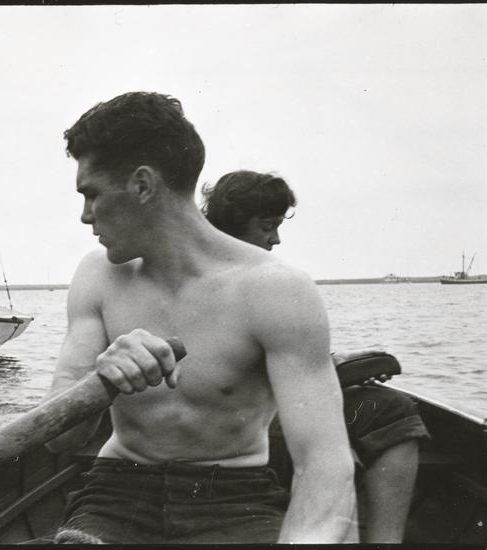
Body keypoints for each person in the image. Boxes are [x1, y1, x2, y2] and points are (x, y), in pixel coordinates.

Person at [44, 92, 357, 544]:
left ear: (143, 185)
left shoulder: (277, 290)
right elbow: (59, 440)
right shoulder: (97, 276)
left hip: (233, 497)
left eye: (92, 194)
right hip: (117, 492)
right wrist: (99, 381)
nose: (84, 215)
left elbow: (324, 464)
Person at [201, 170, 430, 543]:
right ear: (232, 227)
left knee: (387, 407)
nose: (275, 239)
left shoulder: (247, 277)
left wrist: (338, 363)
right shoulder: (230, 281)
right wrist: (338, 370)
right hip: (238, 423)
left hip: (265, 408)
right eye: (266, 227)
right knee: (373, 421)